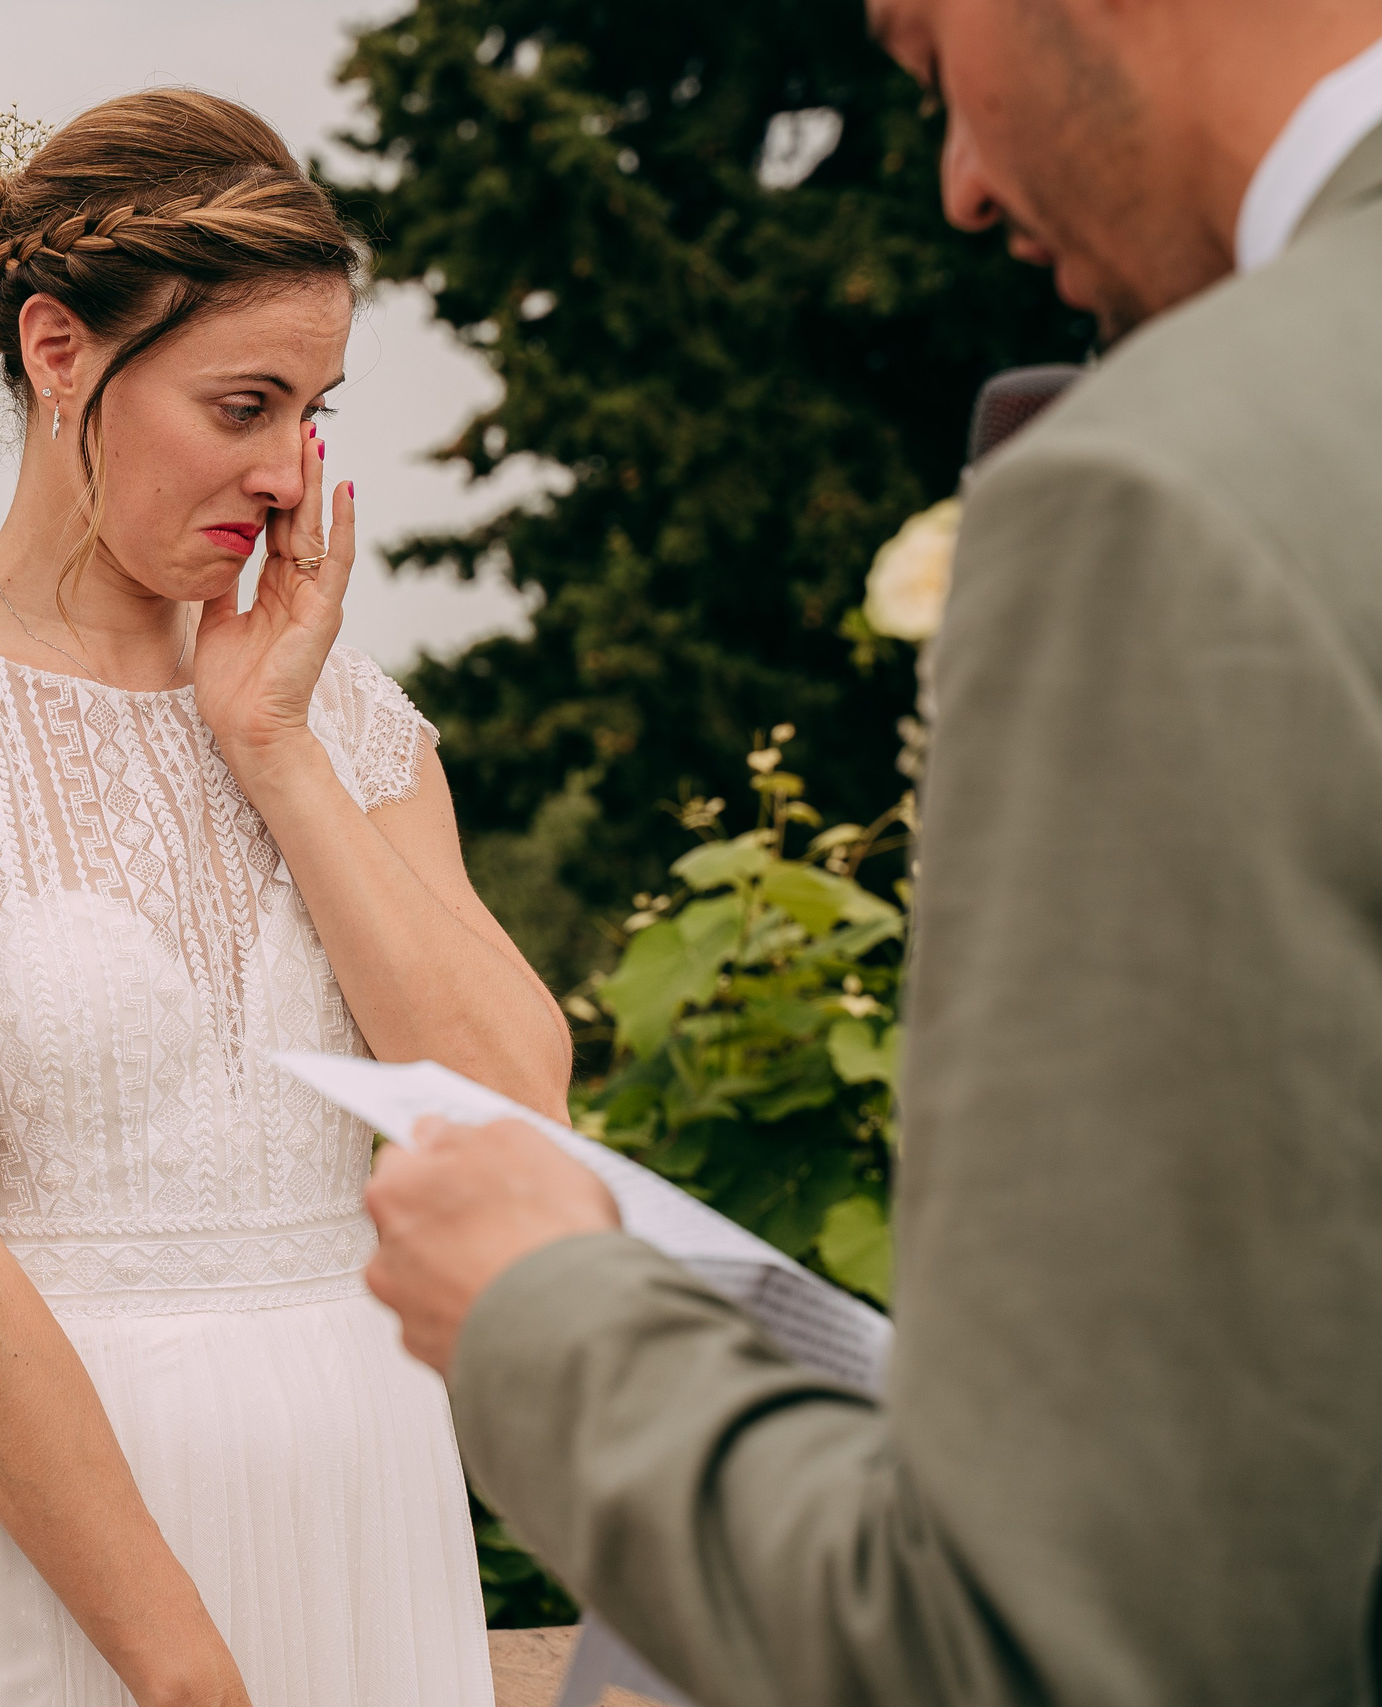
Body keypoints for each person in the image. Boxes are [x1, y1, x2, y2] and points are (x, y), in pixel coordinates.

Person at [363, 1, 1382, 1703]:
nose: (962, 185)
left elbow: (1044, 1644)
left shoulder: (1172, 487)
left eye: (922, 60)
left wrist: (537, 1308)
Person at [0, 88, 572, 1707]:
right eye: (242, 403)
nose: (286, 472)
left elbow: (514, 1102)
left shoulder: (346, 724)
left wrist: (278, 749)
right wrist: (183, 1672)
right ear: (59, 352)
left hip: (361, 1511)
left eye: (311, 411)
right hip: (56, 1567)